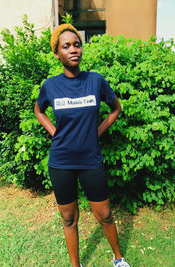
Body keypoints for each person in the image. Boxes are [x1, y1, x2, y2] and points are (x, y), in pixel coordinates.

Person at [34, 24, 130, 267]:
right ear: (57, 53)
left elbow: (115, 108)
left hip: (90, 161)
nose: (73, 49)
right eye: (66, 46)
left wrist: (96, 132)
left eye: (76, 44)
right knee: (69, 219)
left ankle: (118, 259)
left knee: (105, 216)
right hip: (61, 162)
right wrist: (55, 132)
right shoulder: (50, 86)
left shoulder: (95, 81)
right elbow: (39, 111)